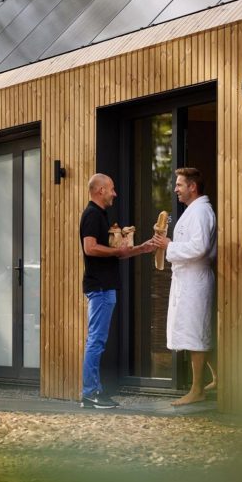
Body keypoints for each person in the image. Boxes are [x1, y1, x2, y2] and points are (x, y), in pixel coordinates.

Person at [79, 174, 155, 409]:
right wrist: (117, 252)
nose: (115, 193)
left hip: (106, 286)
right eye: (111, 189)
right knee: (96, 341)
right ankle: (90, 393)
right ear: (100, 190)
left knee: (98, 340)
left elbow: (115, 252)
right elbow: (90, 249)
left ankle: (93, 392)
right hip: (100, 287)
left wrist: (141, 249)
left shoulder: (101, 215)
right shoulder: (92, 214)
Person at [151, 168, 217, 406]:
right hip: (187, 279)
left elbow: (199, 247)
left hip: (195, 280)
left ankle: (197, 389)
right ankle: (218, 378)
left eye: (179, 185)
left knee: (195, 334)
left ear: (193, 187)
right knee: (195, 332)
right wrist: (166, 244)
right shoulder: (193, 210)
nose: (175, 189)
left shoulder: (200, 212)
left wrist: (169, 245)